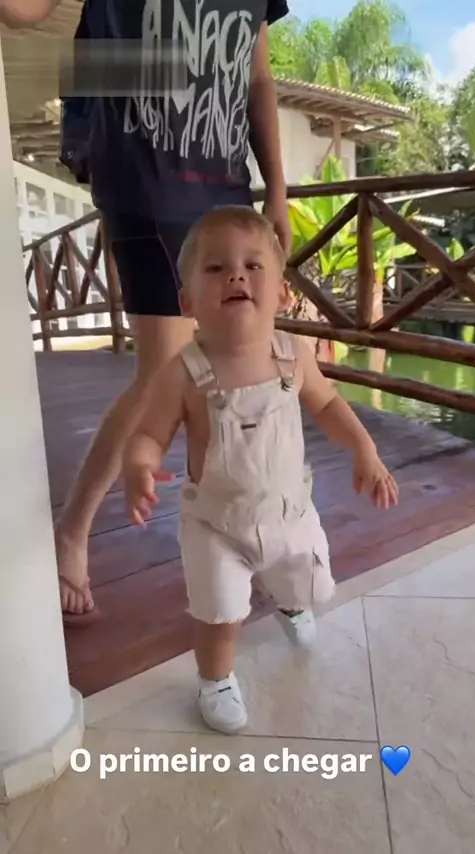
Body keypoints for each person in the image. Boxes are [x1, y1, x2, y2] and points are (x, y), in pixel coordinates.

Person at [0, 0, 292, 624]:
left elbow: (257, 73)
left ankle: (248, 533)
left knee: (239, 367)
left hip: (225, 179)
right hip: (144, 172)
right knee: (165, 371)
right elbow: (25, 11)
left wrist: (277, 190)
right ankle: (72, 531)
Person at [123, 206, 399, 734]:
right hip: (216, 525)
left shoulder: (293, 354)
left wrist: (364, 449)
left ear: (281, 294)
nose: (236, 276)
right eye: (216, 268)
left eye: (253, 266)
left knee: (308, 586)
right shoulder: (183, 372)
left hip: (289, 514)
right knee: (219, 611)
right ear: (187, 302)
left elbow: (328, 405)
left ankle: (289, 604)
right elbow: (148, 434)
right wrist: (139, 464)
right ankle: (215, 680)